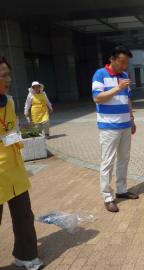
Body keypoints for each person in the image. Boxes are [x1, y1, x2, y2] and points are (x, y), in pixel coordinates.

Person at [0, 57, 43, 270]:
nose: (8, 79)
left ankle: (25, 256)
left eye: (8, 73)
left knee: (24, 216)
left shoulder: (9, 101)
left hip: (14, 168)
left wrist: (15, 135)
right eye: (3, 75)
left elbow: (11, 127)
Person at [92, 45, 138, 213]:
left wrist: (132, 119)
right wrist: (117, 88)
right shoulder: (100, 74)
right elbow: (97, 98)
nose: (124, 66)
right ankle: (107, 197)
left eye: (126, 63)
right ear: (111, 59)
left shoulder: (124, 75)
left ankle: (121, 189)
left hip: (125, 125)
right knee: (107, 161)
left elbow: (128, 99)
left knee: (124, 158)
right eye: (121, 62)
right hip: (109, 127)